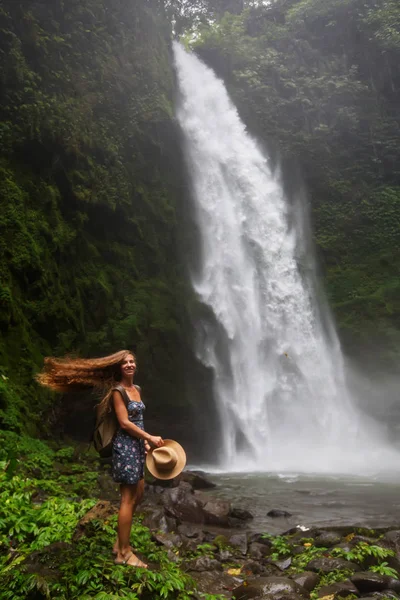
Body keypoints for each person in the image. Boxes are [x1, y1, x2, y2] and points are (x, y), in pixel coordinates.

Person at [37, 349, 164, 568]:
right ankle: (123, 553)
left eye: (133, 361)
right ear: (118, 367)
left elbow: (138, 420)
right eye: (125, 362)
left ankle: (119, 543)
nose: (130, 365)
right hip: (124, 447)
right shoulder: (118, 391)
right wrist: (149, 437)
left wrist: (143, 441)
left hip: (136, 445)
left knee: (139, 492)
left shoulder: (137, 389)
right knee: (127, 497)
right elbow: (124, 423)